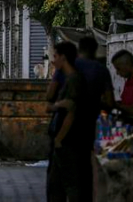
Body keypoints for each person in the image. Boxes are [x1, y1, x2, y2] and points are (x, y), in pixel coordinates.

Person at [47, 42, 91, 202]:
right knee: (55, 184)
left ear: (63, 58)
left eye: (55, 56)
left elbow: (71, 112)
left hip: (68, 140)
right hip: (62, 140)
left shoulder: (74, 80)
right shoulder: (68, 79)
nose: (53, 60)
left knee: (71, 184)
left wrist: (59, 138)